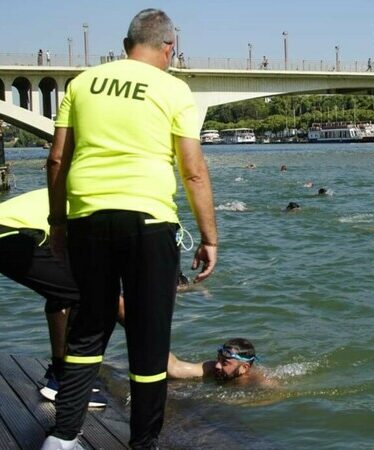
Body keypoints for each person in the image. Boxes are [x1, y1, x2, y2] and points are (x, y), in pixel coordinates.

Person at [44, 8, 218, 450]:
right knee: (149, 335)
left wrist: (58, 224)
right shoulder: (174, 89)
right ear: (168, 48)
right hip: (149, 221)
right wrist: (210, 238)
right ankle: (143, 444)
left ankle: (62, 438)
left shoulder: (82, 83)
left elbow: (57, 160)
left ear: (125, 45)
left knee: (88, 327)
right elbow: (193, 171)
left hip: (87, 217)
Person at [0, 189, 107, 408]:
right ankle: (70, 384)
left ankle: (60, 374)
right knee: (86, 294)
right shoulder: (99, 207)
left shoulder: (81, 192)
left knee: (63, 292)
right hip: (13, 235)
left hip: (14, 232)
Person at [166, 338, 278, 388]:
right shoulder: (210, 367)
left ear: (244, 368)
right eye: (218, 359)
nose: (217, 365)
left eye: (225, 363)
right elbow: (175, 368)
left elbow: (277, 395)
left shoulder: (258, 381)